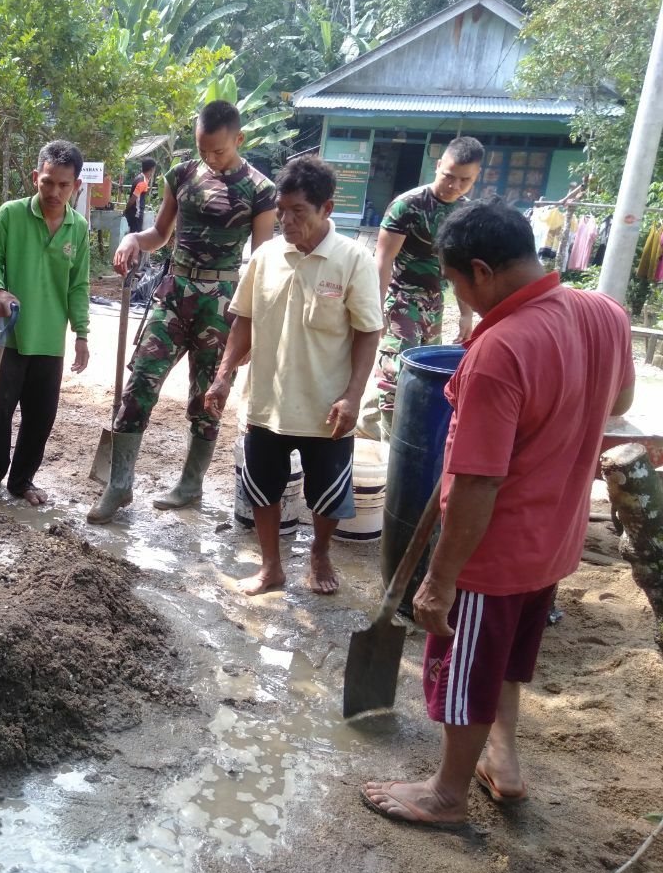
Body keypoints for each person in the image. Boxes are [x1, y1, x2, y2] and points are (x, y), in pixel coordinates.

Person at [362, 201, 633, 828]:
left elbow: (478, 482)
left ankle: (447, 794)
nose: (460, 297)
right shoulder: (604, 312)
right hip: (555, 538)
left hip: (494, 553)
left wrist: (441, 580)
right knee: (503, 656)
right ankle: (502, 760)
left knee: (464, 670)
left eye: (456, 283)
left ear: (481, 270)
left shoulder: (499, 350)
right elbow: (618, 400)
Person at [88, 100, 276, 524]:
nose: (210, 158)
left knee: (206, 399)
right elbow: (159, 233)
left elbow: (263, 262)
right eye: (203, 149)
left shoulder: (261, 189)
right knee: (139, 384)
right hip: (174, 292)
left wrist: (253, 331)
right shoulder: (182, 174)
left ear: (239, 139)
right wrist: (133, 239)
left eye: (219, 151)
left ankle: (190, 485)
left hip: (223, 303)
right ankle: (119, 485)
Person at [204, 156, 383, 594]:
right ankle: (271, 567)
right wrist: (224, 375)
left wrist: (353, 395)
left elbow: (368, 332)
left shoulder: (353, 260)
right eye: (281, 210)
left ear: (327, 208)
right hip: (267, 401)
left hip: (327, 407)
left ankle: (319, 555)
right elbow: (244, 320)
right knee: (263, 486)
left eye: (298, 211)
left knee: (327, 492)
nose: (286, 220)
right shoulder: (265, 257)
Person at [0, 140, 91, 506]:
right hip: (9, 335)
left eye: (63, 185)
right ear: (35, 178)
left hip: (50, 340)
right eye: (47, 182)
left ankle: (22, 481)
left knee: (40, 418)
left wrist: (82, 334)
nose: (54, 192)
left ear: (76, 185)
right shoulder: (10, 215)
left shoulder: (79, 228)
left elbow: (78, 285)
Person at [362, 136, 485, 439]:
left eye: (465, 180)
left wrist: (466, 314)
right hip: (401, 299)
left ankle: (369, 424)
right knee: (395, 375)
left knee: (424, 371)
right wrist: (376, 309)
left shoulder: (466, 213)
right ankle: (392, 446)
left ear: (476, 176)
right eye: (449, 176)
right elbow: (383, 260)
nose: (454, 185)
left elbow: (461, 268)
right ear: (438, 165)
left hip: (435, 303)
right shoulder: (409, 205)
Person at [122, 157, 157, 235]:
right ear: (152, 169)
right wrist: (126, 210)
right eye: (154, 169)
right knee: (135, 237)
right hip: (136, 214)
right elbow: (133, 199)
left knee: (134, 236)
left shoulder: (140, 178)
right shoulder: (142, 182)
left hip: (134, 214)